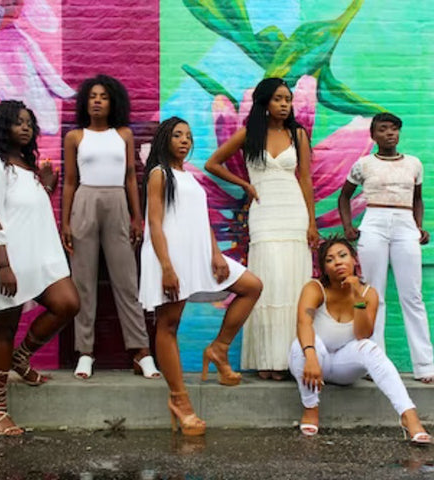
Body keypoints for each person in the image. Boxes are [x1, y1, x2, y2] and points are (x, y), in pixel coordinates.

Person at [139, 117, 262, 436]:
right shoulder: (159, 174)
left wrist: (216, 253)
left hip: (200, 254)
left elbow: (200, 220)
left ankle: (218, 348)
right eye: (177, 135)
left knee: (251, 286)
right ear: (164, 139)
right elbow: (154, 223)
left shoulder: (188, 176)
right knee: (168, 325)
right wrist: (166, 266)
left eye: (189, 136)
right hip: (170, 256)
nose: (184, 140)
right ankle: (180, 400)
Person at [0, 100, 80, 435]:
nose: (26, 127)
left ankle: (21, 357)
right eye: (18, 122)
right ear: (3, 127)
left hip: (36, 259)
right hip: (6, 260)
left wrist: (44, 185)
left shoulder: (26, 166)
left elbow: (23, 209)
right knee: (3, 329)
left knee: (67, 303)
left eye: (29, 122)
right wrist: (4, 264)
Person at [205, 77, 318, 380]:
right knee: (268, 281)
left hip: (293, 213)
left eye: (288, 99)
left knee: (293, 284)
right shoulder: (248, 133)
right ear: (265, 102)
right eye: (279, 99)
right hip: (264, 212)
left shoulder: (298, 134)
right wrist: (245, 184)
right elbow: (212, 164)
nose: (284, 104)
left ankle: (288, 360)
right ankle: (265, 359)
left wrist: (312, 223)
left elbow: (305, 179)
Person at [62, 74, 160, 380]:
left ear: (112, 101)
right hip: (85, 201)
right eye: (92, 96)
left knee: (127, 281)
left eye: (103, 96)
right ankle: (85, 352)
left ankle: (141, 351)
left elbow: (131, 176)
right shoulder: (75, 137)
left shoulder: (124, 135)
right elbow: (69, 182)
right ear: (85, 102)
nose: (97, 101)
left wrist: (136, 216)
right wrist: (65, 222)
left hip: (117, 201)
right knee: (83, 282)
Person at [288, 236, 431, 444]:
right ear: (324, 268)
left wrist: (357, 296)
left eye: (343, 255)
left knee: (370, 348)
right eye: (329, 260)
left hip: (343, 366)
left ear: (354, 259)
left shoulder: (368, 293)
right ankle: (311, 407)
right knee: (305, 345)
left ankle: (409, 416)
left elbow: (362, 334)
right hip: (313, 360)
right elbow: (303, 324)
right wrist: (310, 357)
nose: (337, 262)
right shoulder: (315, 288)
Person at [338, 113, 434, 383]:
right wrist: (348, 227)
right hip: (374, 222)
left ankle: (425, 365)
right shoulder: (363, 164)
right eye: (384, 129)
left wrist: (418, 227)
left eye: (394, 129)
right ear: (373, 135)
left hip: (404, 224)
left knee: (412, 295)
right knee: (373, 295)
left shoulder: (414, 164)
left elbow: (417, 199)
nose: (390, 133)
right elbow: (344, 196)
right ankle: (374, 362)